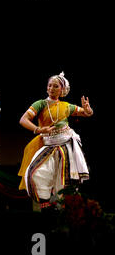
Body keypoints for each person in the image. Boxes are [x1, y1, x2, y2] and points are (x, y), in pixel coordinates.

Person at [18, 72, 92, 211]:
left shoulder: (66, 106)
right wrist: (38, 130)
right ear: (47, 88)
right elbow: (23, 120)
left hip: (66, 144)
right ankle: (45, 203)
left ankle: (62, 210)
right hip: (48, 144)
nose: (52, 88)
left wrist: (88, 110)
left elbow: (86, 113)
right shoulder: (40, 104)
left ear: (62, 90)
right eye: (49, 85)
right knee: (35, 173)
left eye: (56, 86)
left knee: (64, 179)